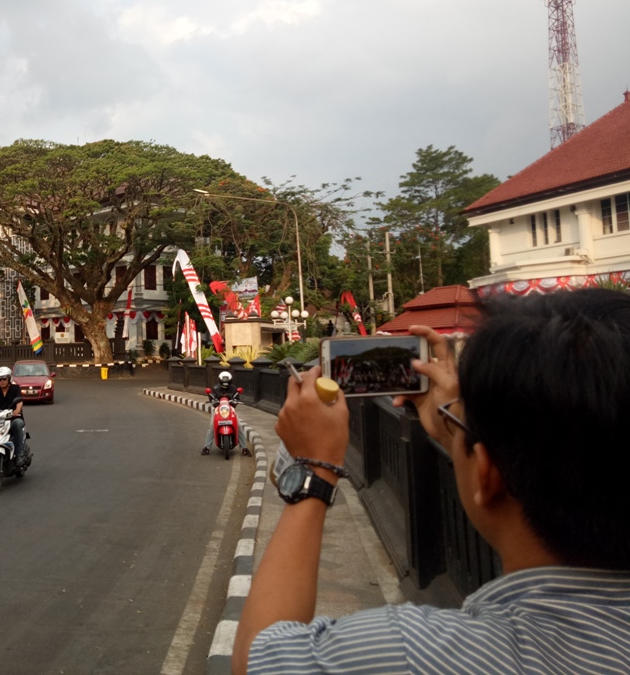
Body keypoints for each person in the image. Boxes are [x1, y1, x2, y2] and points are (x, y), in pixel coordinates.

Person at [232, 288, 630, 675]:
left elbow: (259, 657)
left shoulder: (418, 651)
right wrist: (459, 432)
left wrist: (315, 470)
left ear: (487, 473)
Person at [201, 370, 251, 456]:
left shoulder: (233, 388)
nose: (225, 383)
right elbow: (211, 397)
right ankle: (207, 447)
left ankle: (244, 448)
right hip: (218, 409)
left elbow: (237, 398)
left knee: (238, 426)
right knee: (212, 427)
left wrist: (235, 401)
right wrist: (214, 401)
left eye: (227, 381)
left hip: (230, 409)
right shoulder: (216, 388)